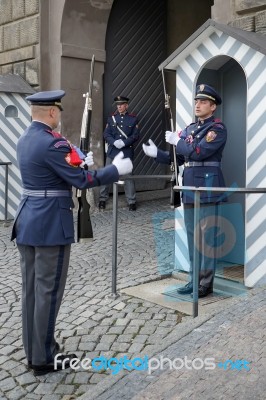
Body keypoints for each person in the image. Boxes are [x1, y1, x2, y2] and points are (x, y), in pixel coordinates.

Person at [11, 90, 133, 375]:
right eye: (59, 111)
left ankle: (34, 351)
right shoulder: (52, 143)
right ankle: (44, 357)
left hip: (28, 219)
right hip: (50, 223)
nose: (59, 116)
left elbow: (58, 171)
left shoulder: (25, 139)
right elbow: (81, 180)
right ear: (52, 112)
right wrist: (115, 170)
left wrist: (78, 158)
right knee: (48, 292)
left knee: (31, 291)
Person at [143, 84, 227, 298]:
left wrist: (178, 141)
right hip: (189, 185)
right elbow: (179, 157)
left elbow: (198, 153)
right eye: (196, 101)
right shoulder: (190, 129)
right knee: (192, 236)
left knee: (206, 238)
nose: (198, 105)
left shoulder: (217, 129)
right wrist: (158, 154)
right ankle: (193, 279)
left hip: (207, 186)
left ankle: (205, 284)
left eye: (203, 102)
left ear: (213, 106)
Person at [98, 96, 139, 211]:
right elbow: (106, 134)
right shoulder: (111, 118)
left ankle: (131, 201)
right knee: (106, 175)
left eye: (121, 104)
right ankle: (102, 199)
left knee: (128, 177)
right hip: (113, 151)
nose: (119, 106)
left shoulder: (133, 119)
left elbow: (135, 135)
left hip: (126, 151)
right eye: (118, 105)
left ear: (126, 105)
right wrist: (114, 142)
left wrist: (124, 142)